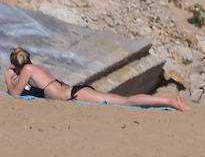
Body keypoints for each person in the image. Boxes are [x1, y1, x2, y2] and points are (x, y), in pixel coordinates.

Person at [4, 47, 188, 110]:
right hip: (74, 91)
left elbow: (15, 95)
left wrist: (8, 78)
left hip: (74, 95)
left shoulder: (27, 70)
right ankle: (169, 100)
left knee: (126, 101)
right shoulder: (35, 67)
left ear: (16, 65)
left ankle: (169, 100)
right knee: (124, 101)